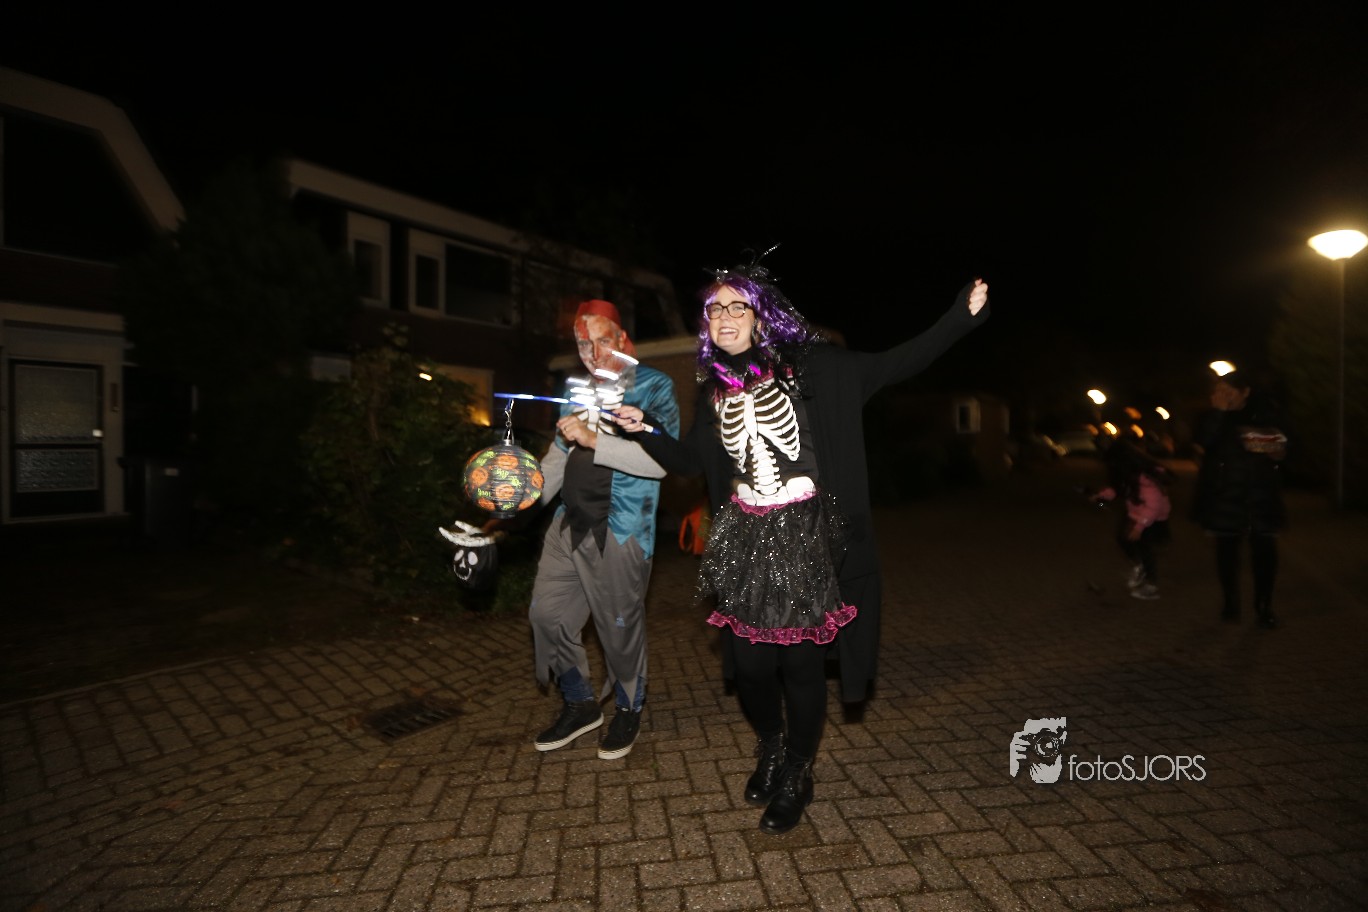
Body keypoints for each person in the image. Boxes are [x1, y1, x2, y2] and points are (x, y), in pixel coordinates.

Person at [613, 249, 988, 834]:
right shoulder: (714, 391)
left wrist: (958, 318)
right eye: (715, 310)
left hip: (806, 535)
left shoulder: (815, 370)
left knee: (801, 666)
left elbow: (898, 362)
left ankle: (797, 771)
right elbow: (690, 462)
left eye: (737, 307)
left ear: (761, 316)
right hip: (745, 536)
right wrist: (647, 431)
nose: (725, 317)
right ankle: (770, 744)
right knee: (752, 667)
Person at [501, 299, 680, 759]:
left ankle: (629, 706)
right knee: (547, 617)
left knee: (618, 628)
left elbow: (661, 464)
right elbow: (558, 457)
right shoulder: (577, 387)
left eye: (603, 341)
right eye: (584, 344)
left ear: (622, 339)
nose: (594, 353)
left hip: (620, 527)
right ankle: (580, 704)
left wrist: (594, 438)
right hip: (570, 523)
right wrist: (518, 503)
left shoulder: (654, 386)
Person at [1191, 369, 1289, 628]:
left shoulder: (1265, 412)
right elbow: (1203, 442)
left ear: (1245, 392)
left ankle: (1264, 606)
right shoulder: (1211, 416)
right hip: (1225, 495)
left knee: (1265, 556)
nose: (1224, 396)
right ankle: (1230, 602)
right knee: (1226, 554)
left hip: (1261, 495)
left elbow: (1283, 448)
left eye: (1229, 391)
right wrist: (1218, 413)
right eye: (1219, 391)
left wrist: (1269, 446)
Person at [1089, 433, 1173, 600]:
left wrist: (1139, 527)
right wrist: (1101, 496)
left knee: (1144, 547)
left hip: (1152, 518)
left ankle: (1151, 584)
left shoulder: (1145, 480)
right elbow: (1118, 489)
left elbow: (1153, 506)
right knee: (1123, 538)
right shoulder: (1126, 475)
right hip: (1137, 512)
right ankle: (1140, 565)